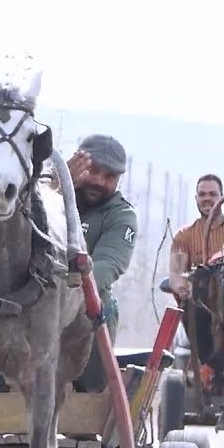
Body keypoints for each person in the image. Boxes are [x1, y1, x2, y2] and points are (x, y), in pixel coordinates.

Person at [66, 134, 139, 392]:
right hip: (27, 295)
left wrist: (61, 292)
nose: (98, 181)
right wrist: (56, 184)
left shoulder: (121, 215)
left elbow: (108, 265)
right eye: (93, 170)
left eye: (109, 177)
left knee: (102, 304)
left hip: (77, 299)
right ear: (75, 164)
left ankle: (89, 392)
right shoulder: (46, 196)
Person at [168, 173, 224, 370]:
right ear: (196, 198)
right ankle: (211, 367)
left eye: (213, 194)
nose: (207, 199)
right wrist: (185, 287)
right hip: (204, 306)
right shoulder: (184, 236)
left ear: (223, 197)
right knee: (194, 311)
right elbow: (176, 273)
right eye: (202, 194)